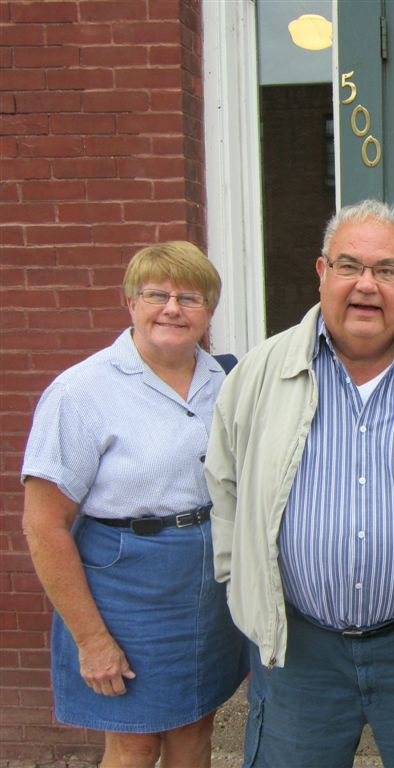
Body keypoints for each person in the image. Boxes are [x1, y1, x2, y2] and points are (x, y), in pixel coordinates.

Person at [204, 199, 394, 768]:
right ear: (322, 273)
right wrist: (241, 583)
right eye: (350, 266)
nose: (367, 285)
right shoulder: (261, 373)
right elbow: (224, 484)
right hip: (298, 652)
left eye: (386, 269)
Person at [21, 243, 247, 768]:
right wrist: (91, 638)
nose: (173, 309)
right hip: (125, 585)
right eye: (156, 295)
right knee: (135, 741)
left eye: (190, 298)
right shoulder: (82, 391)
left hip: (207, 577)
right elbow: (43, 525)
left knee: (196, 725)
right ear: (130, 303)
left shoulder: (226, 382)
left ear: (209, 311)